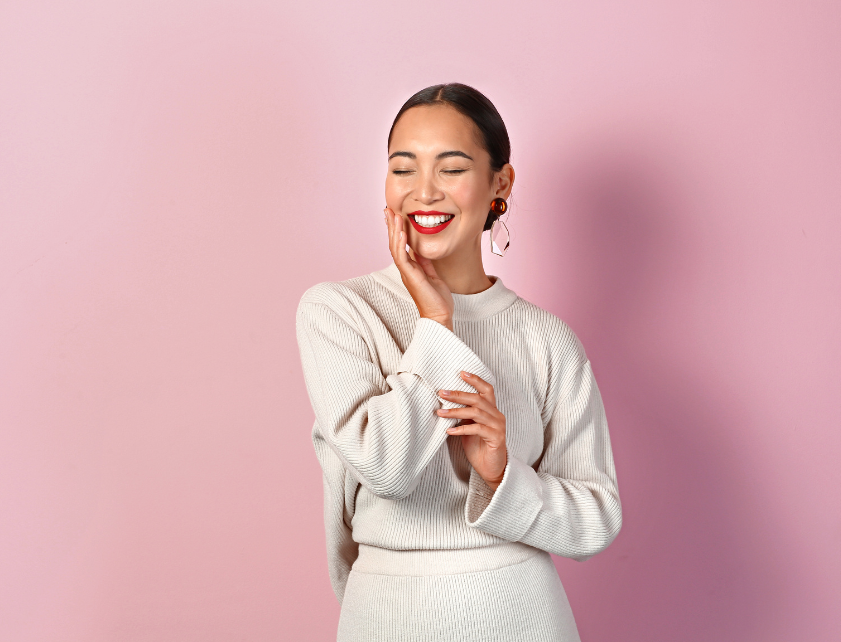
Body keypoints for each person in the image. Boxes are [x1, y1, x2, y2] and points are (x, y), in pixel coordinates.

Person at [295, 83, 622, 642]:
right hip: (386, 614)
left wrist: (500, 475)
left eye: (451, 169)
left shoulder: (548, 339)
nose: (424, 192)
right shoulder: (339, 312)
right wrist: (436, 323)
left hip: (522, 614)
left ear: (500, 184)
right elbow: (385, 469)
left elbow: (596, 519)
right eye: (403, 169)